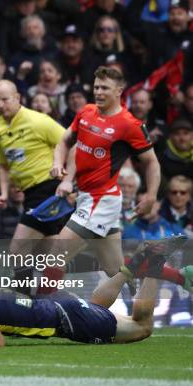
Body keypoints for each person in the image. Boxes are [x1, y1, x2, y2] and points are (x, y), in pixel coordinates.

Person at [0, 238, 193, 347]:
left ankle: (154, 267)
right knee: (100, 310)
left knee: (143, 327)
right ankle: (129, 270)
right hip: (58, 302)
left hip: (65, 318)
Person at [49, 66, 161, 293]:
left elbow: (151, 162)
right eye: (96, 87)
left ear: (119, 90)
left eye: (105, 88)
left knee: (54, 257)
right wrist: (57, 165)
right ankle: (166, 281)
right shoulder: (86, 112)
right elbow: (65, 143)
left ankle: (41, 314)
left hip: (102, 200)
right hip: (85, 197)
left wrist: (151, 195)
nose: (98, 92)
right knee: (114, 269)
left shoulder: (130, 125)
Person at [0, 79, 67, 242]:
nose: (1, 105)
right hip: (28, 194)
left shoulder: (38, 121)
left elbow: (70, 142)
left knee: (18, 250)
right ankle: (94, 265)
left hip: (47, 189)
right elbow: (3, 165)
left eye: (5, 99)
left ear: (17, 97)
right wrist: (4, 193)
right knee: (50, 251)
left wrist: (62, 169)